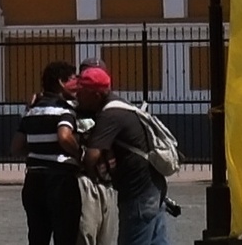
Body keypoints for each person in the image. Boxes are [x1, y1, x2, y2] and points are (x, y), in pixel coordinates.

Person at [73, 65, 174, 245]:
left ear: (96, 95)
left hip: (138, 194)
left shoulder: (110, 115)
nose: (77, 96)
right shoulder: (122, 106)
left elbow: (91, 156)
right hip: (154, 188)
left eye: (81, 92)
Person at [19, 62, 85, 245]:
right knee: (65, 236)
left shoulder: (31, 110)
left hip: (33, 181)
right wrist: (79, 154)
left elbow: (17, 146)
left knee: (37, 236)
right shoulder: (65, 110)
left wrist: (38, 150)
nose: (77, 85)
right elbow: (64, 136)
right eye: (74, 80)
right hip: (60, 182)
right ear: (61, 83)